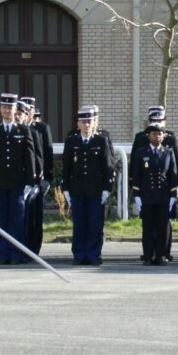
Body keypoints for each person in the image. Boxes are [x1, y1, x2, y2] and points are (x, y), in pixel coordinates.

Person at [0, 93, 36, 264]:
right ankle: (3, 253)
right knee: (2, 219)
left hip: (18, 183)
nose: (7, 110)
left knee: (17, 219)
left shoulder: (23, 130)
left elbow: (30, 157)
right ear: (1, 109)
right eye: (4, 107)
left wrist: (29, 182)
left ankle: (15, 253)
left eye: (10, 108)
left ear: (15, 110)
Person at [61, 105, 115, 265]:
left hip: (95, 190)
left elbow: (108, 167)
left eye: (89, 122)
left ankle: (93, 254)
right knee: (79, 224)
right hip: (77, 189)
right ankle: (79, 254)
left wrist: (107, 189)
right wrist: (66, 189)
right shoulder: (72, 141)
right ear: (78, 124)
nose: (86, 125)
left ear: (94, 123)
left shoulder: (101, 141)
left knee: (95, 224)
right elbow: (67, 167)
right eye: (83, 122)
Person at [131, 106, 178, 261]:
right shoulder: (141, 140)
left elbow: (175, 166)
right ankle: (148, 253)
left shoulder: (170, 142)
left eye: (160, 122)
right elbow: (135, 167)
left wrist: (176, 188)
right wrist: (136, 192)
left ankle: (162, 253)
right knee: (148, 226)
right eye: (154, 122)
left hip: (163, 193)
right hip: (147, 193)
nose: (158, 131)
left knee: (164, 225)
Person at [19, 97, 51, 255]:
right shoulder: (18, 128)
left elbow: (46, 155)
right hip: (21, 179)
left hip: (37, 179)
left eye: (30, 109)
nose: (28, 112)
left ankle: (33, 248)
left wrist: (46, 179)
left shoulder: (41, 128)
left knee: (34, 218)